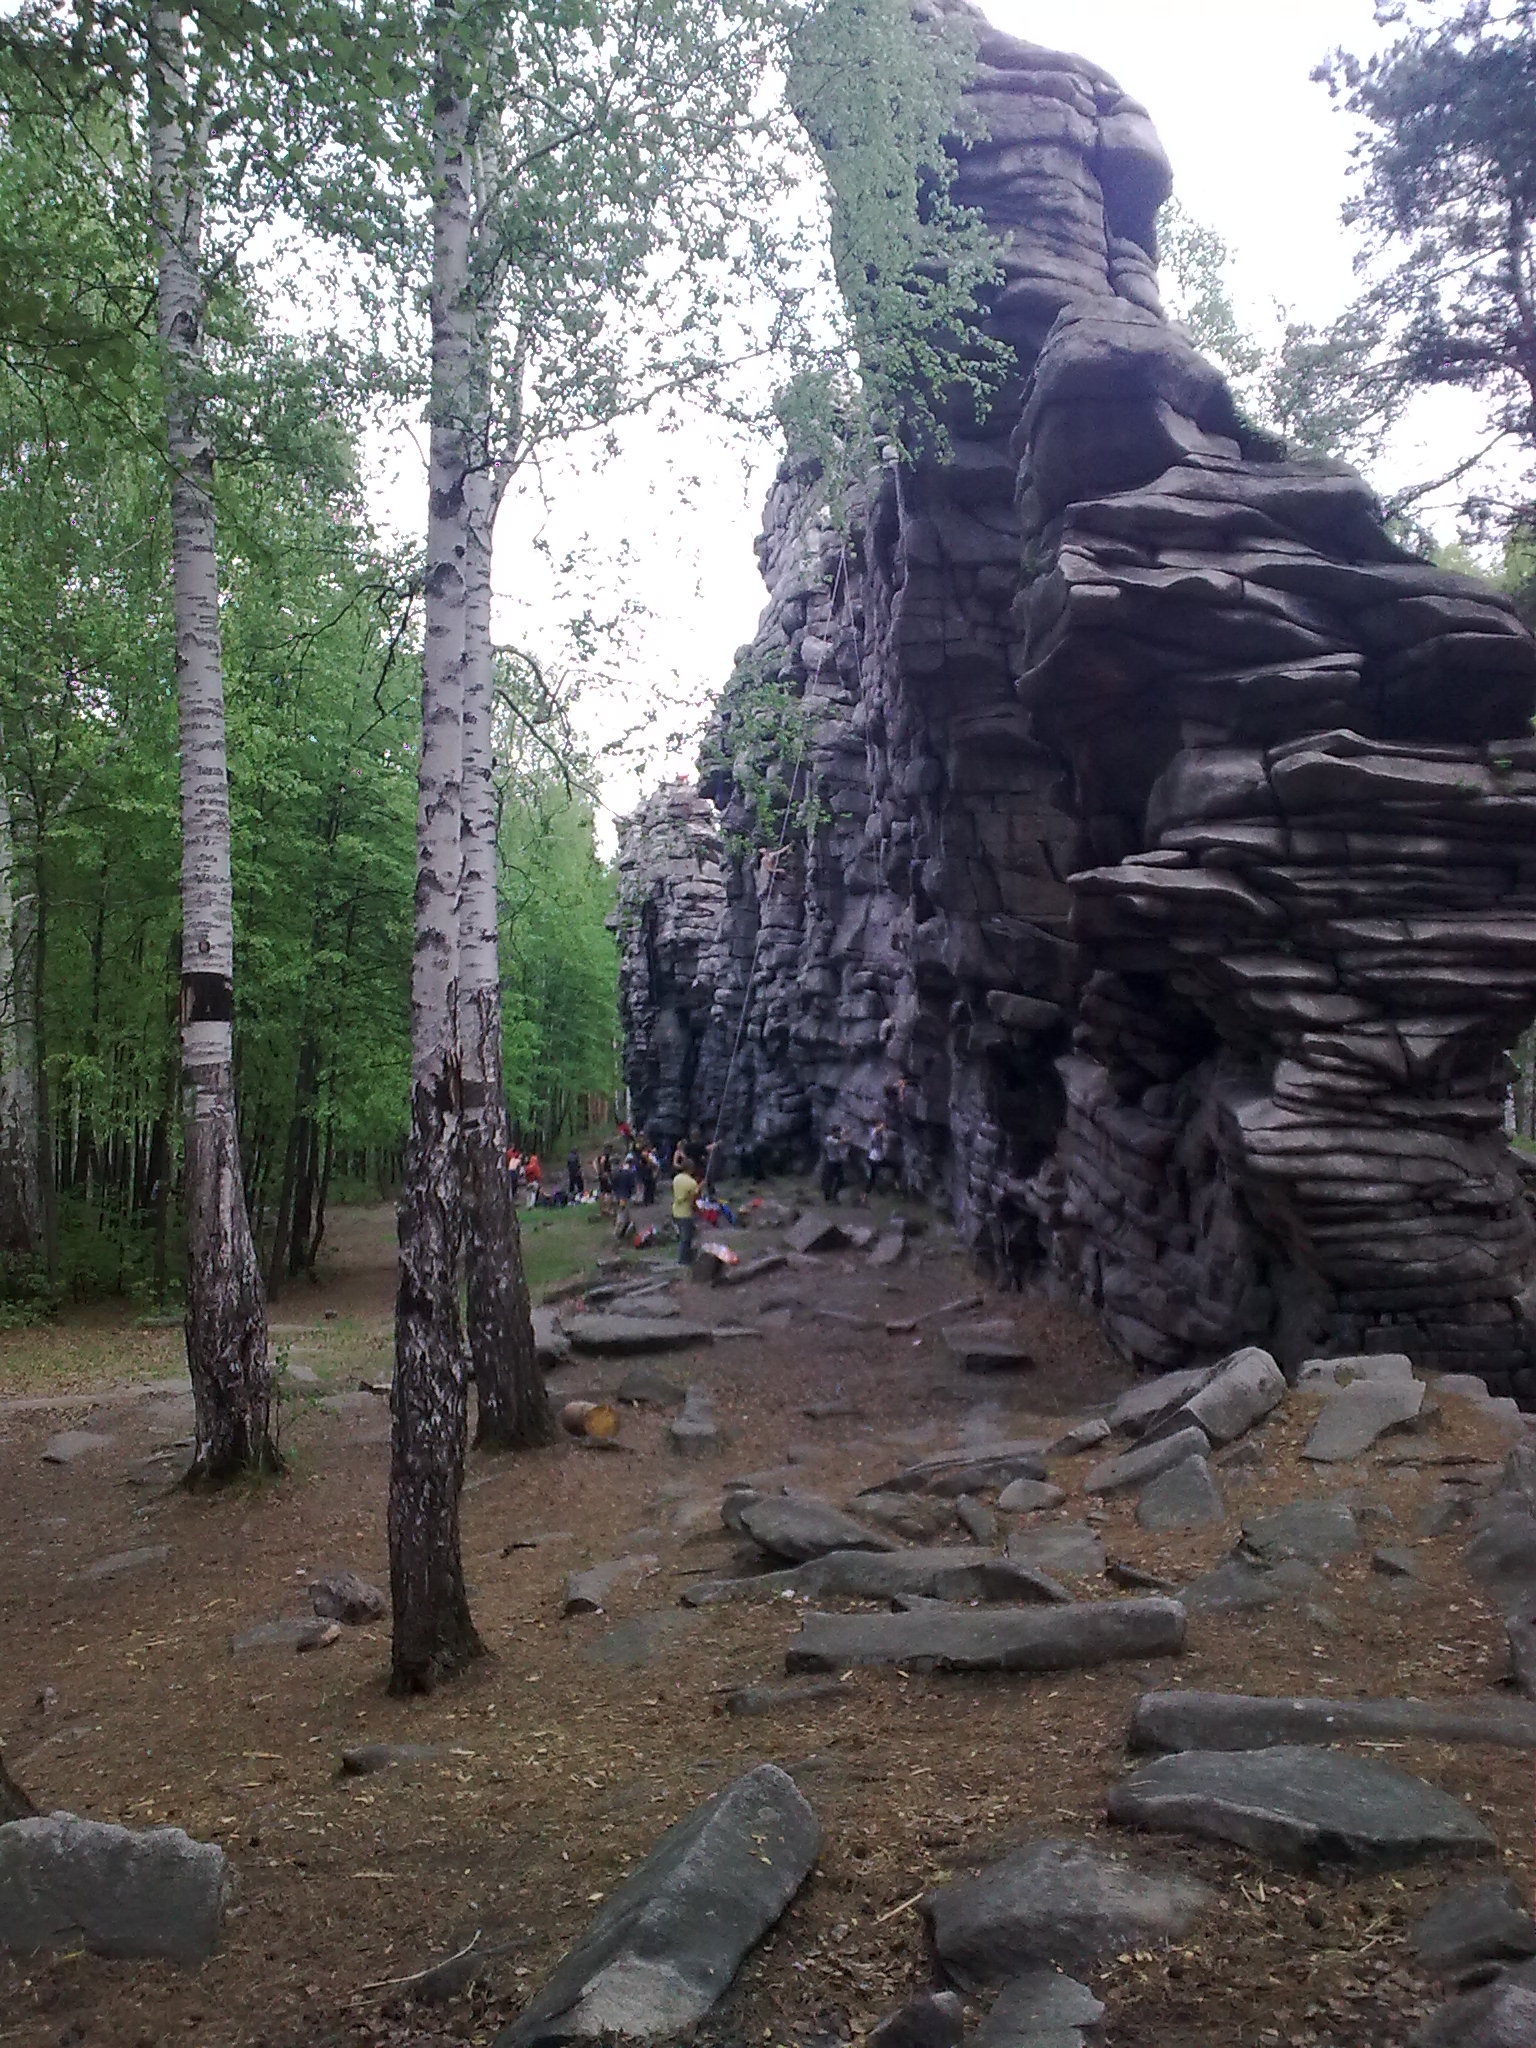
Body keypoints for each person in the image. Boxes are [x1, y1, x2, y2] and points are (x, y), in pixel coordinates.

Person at [672, 1156, 700, 1264]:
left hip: (676, 1210)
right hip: (685, 1212)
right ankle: (683, 1260)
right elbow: (694, 1198)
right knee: (686, 1238)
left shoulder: (676, 1178)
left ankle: (687, 1257)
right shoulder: (691, 1183)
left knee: (685, 1235)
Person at [612, 1151, 638, 1242]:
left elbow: (613, 1185)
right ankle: (617, 1234)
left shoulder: (616, 1173)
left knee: (623, 1215)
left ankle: (623, 1233)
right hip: (625, 1197)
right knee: (622, 1216)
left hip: (618, 1196)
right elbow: (633, 1187)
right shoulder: (630, 1173)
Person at [819, 1124, 847, 1205]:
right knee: (830, 1180)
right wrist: (847, 1138)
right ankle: (828, 1198)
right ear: (834, 1132)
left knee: (840, 1180)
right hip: (831, 1162)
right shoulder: (829, 1139)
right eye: (838, 1132)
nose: (839, 1133)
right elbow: (840, 1142)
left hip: (837, 1162)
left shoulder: (833, 1138)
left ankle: (834, 1195)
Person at [863, 1121, 889, 1202]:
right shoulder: (873, 1132)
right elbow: (875, 1131)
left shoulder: (882, 1134)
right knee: (872, 1179)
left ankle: (896, 1185)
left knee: (894, 1166)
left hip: (880, 1158)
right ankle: (864, 1197)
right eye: (881, 1126)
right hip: (873, 1159)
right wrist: (881, 1127)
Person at [637, 1142, 658, 1208]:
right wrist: (652, 1164)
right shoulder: (644, 1154)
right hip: (645, 1171)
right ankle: (646, 1200)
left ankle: (649, 1199)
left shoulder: (647, 1154)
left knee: (650, 1185)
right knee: (647, 1185)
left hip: (647, 1171)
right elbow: (649, 1162)